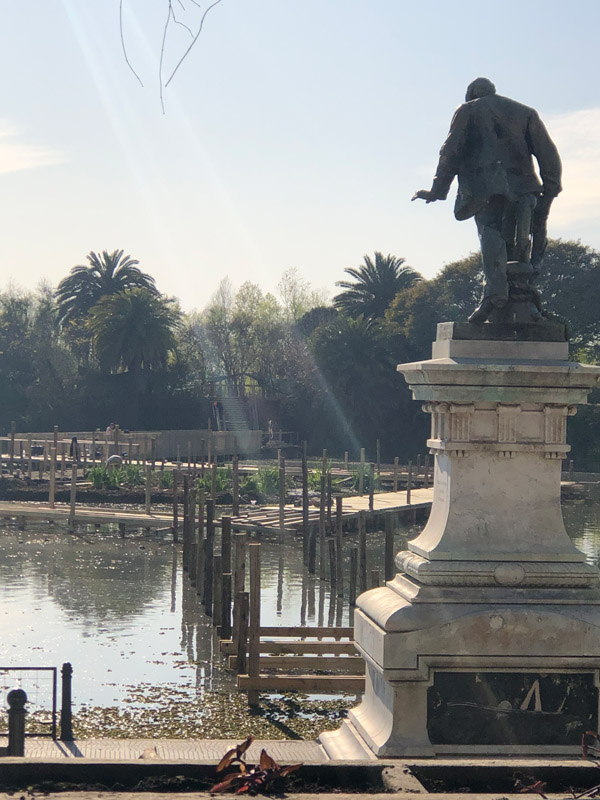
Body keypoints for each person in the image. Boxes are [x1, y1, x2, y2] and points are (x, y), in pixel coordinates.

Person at [412, 78, 562, 323]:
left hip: (487, 188)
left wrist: (437, 190)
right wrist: (551, 187)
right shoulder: (525, 112)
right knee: (520, 243)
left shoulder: (468, 109)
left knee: (490, 231)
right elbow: (548, 152)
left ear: (471, 94)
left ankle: (496, 295)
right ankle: (519, 300)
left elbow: (450, 151)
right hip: (525, 187)